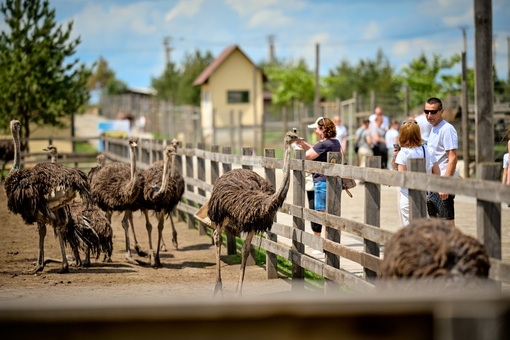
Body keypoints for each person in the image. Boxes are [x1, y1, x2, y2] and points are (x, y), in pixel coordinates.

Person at [295, 117, 340, 250]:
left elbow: (306, 156)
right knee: (331, 213)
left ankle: (324, 246)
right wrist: (304, 145)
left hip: (321, 182)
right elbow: (318, 151)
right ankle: (332, 245)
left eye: (317, 128)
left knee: (321, 214)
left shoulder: (323, 144)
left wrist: (296, 147)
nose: (315, 131)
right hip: (333, 182)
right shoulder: (335, 142)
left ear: (323, 129)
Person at [392, 120, 440, 226]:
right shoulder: (428, 150)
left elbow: (402, 179)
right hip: (427, 195)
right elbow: (437, 173)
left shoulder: (403, 154)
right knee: (426, 230)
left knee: (410, 231)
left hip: (407, 197)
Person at [425, 97, 458, 226]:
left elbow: (453, 158)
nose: (429, 115)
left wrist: (444, 184)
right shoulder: (434, 128)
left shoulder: (447, 129)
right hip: (434, 182)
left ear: (441, 111)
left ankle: (453, 247)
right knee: (436, 222)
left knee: (447, 223)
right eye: (426, 111)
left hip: (444, 182)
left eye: (433, 112)